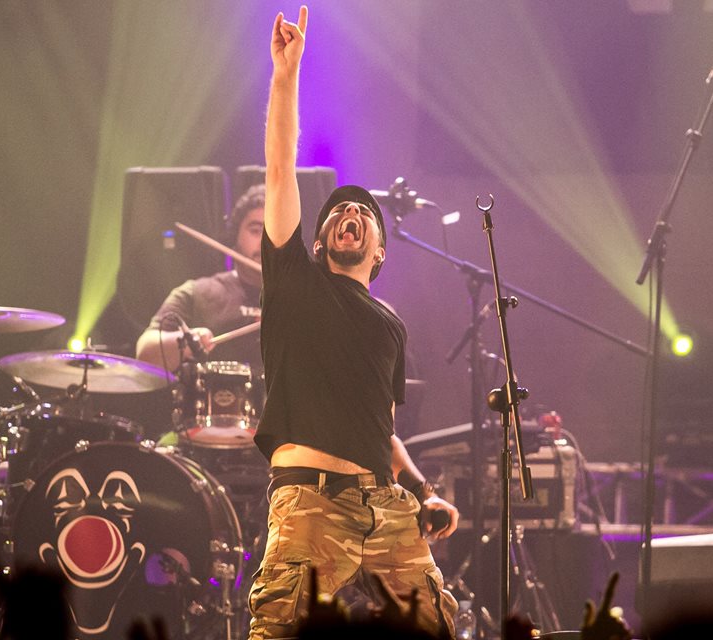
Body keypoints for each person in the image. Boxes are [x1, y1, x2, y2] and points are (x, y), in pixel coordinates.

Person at [247, 7, 460, 639]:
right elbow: (279, 170)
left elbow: (382, 428)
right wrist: (286, 75)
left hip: (384, 506)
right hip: (311, 501)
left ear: (380, 249)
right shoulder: (295, 282)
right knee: (279, 630)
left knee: (437, 625)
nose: (351, 214)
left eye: (364, 213)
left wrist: (423, 492)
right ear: (318, 241)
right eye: (339, 210)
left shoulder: (390, 325)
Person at [135, 183, 265, 372]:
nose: (266, 241)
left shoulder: (303, 299)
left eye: (277, 233)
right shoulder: (197, 293)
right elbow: (145, 354)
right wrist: (188, 341)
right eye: (256, 230)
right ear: (235, 236)